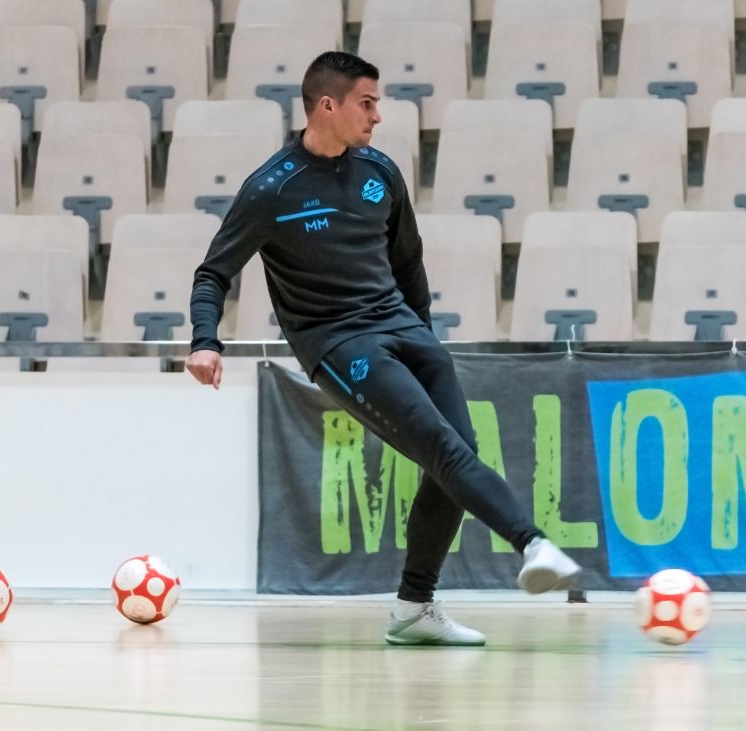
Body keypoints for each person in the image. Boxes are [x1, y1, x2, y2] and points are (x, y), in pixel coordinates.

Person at [185, 51, 581, 646]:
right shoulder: (271, 189)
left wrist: (422, 338)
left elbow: (408, 260)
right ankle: (533, 543)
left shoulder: (380, 171)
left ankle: (413, 609)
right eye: (367, 103)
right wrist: (205, 341)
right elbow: (213, 273)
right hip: (339, 344)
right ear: (328, 105)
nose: (377, 116)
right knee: (444, 448)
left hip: (404, 330)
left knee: (453, 460)